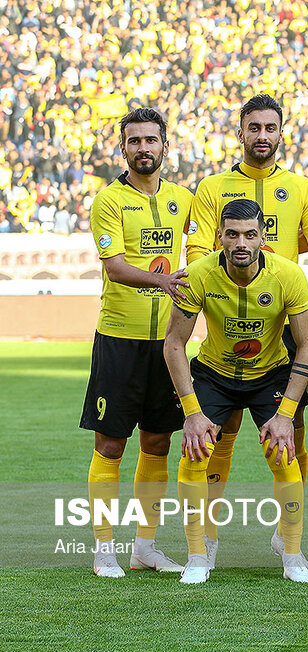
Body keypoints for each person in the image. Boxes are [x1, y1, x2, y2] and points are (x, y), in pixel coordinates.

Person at [185, 94, 308, 558]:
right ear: (242, 133)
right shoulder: (212, 188)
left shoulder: (303, 188)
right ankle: (206, 542)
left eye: (271, 128)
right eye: (255, 128)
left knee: (291, 427)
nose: (263, 136)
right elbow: (196, 255)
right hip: (229, 314)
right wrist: (213, 292)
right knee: (219, 429)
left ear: (281, 133)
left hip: (284, 316)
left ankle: (286, 535)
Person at [162, 198, 308, 585]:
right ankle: (199, 555)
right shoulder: (197, 275)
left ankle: (292, 555)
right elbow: (173, 345)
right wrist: (192, 412)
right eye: (232, 234)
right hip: (215, 373)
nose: (240, 243)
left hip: (270, 373)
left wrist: (285, 415)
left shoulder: (288, 275)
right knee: (194, 453)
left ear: (264, 238)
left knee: (283, 453)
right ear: (219, 237)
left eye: (250, 234)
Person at [80, 107, 192, 577]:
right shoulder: (108, 201)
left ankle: (144, 547)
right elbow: (116, 269)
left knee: (158, 443)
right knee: (111, 444)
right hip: (120, 340)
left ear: (165, 146)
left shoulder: (184, 199)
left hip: (167, 344)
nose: (143, 148)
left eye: (151, 140)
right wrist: (163, 283)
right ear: (123, 148)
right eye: (134, 141)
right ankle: (104, 548)